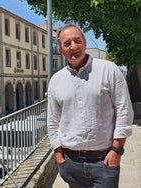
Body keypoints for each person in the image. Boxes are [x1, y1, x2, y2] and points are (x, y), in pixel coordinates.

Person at [47, 23, 133, 188]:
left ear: (84, 43)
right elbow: (53, 121)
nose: (74, 46)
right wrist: (59, 156)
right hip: (71, 164)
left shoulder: (109, 70)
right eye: (67, 43)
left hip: (105, 161)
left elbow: (124, 111)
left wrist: (117, 150)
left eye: (77, 41)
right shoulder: (56, 81)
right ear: (60, 50)